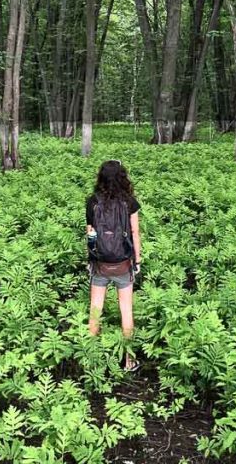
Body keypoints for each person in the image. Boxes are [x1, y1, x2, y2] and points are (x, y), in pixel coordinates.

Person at [86, 159, 142, 371]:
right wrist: (137, 260)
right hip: (122, 263)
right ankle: (128, 360)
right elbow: (135, 233)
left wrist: (91, 258)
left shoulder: (92, 202)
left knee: (95, 308)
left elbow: (90, 234)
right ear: (122, 177)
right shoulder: (129, 202)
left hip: (100, 262)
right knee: (126, 310)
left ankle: (90, 357)